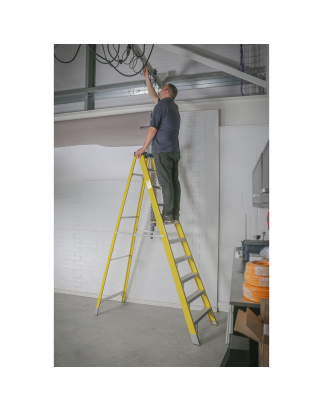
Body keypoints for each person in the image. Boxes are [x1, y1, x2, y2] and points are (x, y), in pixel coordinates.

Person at [135, 67, 181, 223]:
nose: (160, 90)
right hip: (174, 151)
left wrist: (143, 148)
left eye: (163, 89)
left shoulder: (161, 107)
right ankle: (174, 214)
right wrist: (147, 78)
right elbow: (153, 95)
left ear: (167, 92)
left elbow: (152, 129)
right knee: (174, 183)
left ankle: (167, 214)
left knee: (166, 183)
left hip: (163, 152)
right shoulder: (173, 107)